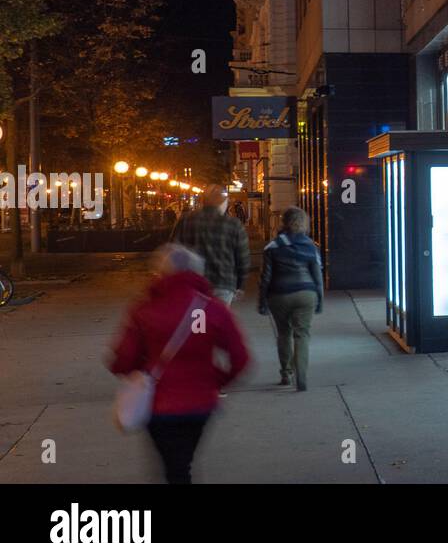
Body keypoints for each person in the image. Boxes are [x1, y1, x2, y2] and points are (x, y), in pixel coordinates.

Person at [107, 243, 249, 484]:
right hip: (201, 403)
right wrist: (216, 380)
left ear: (159, 273)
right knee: (182, 461)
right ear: (196, 272)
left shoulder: (144, 310)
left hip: (160, 404)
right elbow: (241, 358)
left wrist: (137, 372)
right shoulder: (211, 308)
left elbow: (121, 359)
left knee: (174, 465)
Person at [259, 207, 324, 391]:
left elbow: (266, 277)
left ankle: (286, 373)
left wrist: (262, 301)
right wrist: (319, 299)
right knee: (302, 334)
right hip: (306, 294)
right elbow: (317, 276)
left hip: (279, 294)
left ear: (283, 222)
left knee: (284, 333)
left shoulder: (273, 246)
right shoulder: (311, 246)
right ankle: (301, 375)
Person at [170, 183, 249, 306]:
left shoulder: (186, 220)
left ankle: (200, 325)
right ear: (223, 203)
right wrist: (240, 284)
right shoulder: (233, 224)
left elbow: (173, 250)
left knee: (198, 322)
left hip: (194, 285)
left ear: (203, 201)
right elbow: (242, 258)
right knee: (217, 321)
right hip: (223, 284)